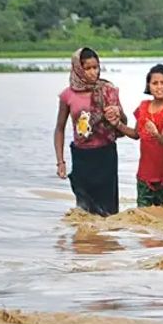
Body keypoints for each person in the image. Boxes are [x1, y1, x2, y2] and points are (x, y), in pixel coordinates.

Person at [54, 47, 125, 216]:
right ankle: (84, 242)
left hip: (105, 155)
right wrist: (60, 162)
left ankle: (102, 241)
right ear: (78, 69)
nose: (93, 72)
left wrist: (117, 113)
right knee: (83, 208)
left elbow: (124, 123)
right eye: (88, 68)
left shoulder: (108, 90)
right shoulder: (67, 95)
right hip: (82, 156)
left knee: (108, 211)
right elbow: (59, 129)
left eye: (96, 67)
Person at [116, 64, 163, 207]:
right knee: (143, 213)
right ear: (148, 86)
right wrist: (117, 124)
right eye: (154, 83)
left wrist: (157, 134)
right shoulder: (143, 107)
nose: (159, 87)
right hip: (144, 175)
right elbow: (135, 134)